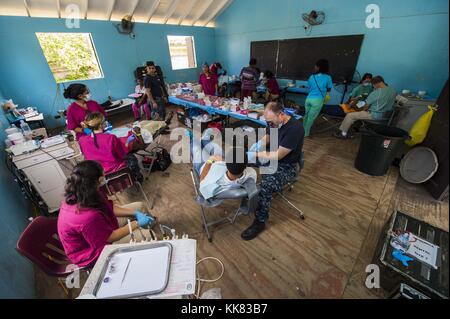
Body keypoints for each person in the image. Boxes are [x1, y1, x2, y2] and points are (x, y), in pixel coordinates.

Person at [57, 161, 154, 267]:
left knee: (140, 206)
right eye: (103, 176)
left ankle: (150, 225)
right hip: (93, 252)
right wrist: (137, 223)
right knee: (149, 236)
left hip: (99, 227)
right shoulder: (85, 217)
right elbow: (110, 237)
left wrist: (135, 213)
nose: (105, 178)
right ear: (98, 180)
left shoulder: (85, 190)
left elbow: (109, 207)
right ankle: (151, 243)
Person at [243, 102, 305, 241]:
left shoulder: (295, 128)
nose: (269, 125)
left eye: (271, 122)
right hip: (272, 157)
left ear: (281, 115)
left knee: (267, 185)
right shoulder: (274, 123)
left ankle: (260, 222)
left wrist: (257, 154)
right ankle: (241, 191)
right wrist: (257, 146)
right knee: (239, 158)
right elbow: (269, 136)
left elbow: (278, 156)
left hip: (287, 166)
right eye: (267, 122)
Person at [78, 112, 144, 183]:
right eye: (104, 121)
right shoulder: (110, 138)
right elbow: (122, 155)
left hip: (98, 173)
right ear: (101, 125)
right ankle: (137, 178)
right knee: (132, 157)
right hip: (115, 170)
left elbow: (87, 156)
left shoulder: (82, 140)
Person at [303, 59, 333, 137]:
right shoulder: (328, 77)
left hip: (308, 98)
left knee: (306, 115)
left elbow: (310, 87)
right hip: (318, 100)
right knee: (311, 118)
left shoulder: (312, 76)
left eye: (316, 66)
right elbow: (329, 88)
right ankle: (305, 133)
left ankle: (302, 130)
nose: (314, 67)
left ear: (319, 67)